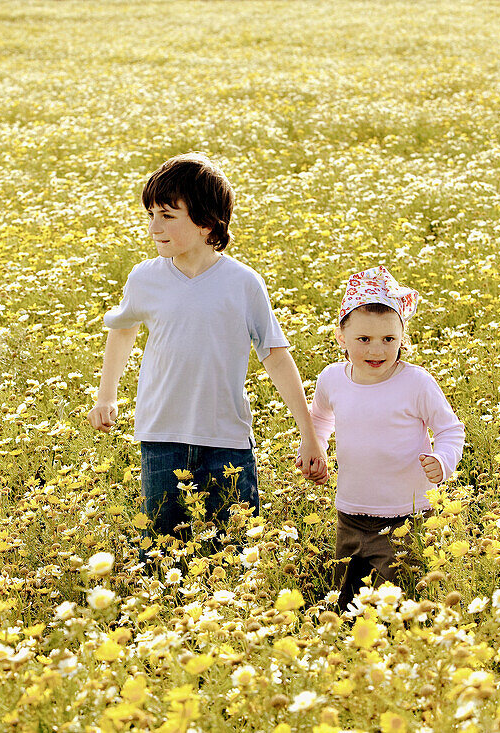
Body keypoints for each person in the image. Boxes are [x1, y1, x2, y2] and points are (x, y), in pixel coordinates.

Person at [88, 152, 327, 556]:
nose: (153, 228)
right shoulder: (145, 277)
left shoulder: (243, 283)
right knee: (161, 553)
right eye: (150, 215)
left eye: (167, 216)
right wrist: (106, 395)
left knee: (237, 552)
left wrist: (309, 435)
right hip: (161, 434)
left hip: (227, 438)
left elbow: (275, 355)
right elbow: (122, 328)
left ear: (206, 222)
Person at [300, 266, 465, 611]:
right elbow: (319, 418)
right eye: (364, 339)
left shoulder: (415, 383)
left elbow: (450, 429)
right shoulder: (332, 378)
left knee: (399, 601)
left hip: (405, 515)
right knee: (344, 600)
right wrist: (313, 449)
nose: (377, 349)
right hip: (350, 511)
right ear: (341, 337)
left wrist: (442, 460)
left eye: (389, 339)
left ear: (402, 338)